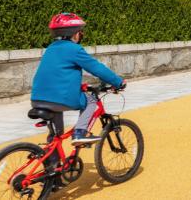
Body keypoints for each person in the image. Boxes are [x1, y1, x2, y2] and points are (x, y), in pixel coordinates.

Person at [31, 13, 126, 146]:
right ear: (75, 34)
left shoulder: (51, 49)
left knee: (56, 136)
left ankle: (53, 164)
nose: (81, 35)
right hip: (60, 98)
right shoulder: (74, 49)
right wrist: (118, 82)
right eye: (80, 32)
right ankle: (80, 132)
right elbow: (97, 68)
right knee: (91, 99)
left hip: (37, 98)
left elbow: (58, 73)